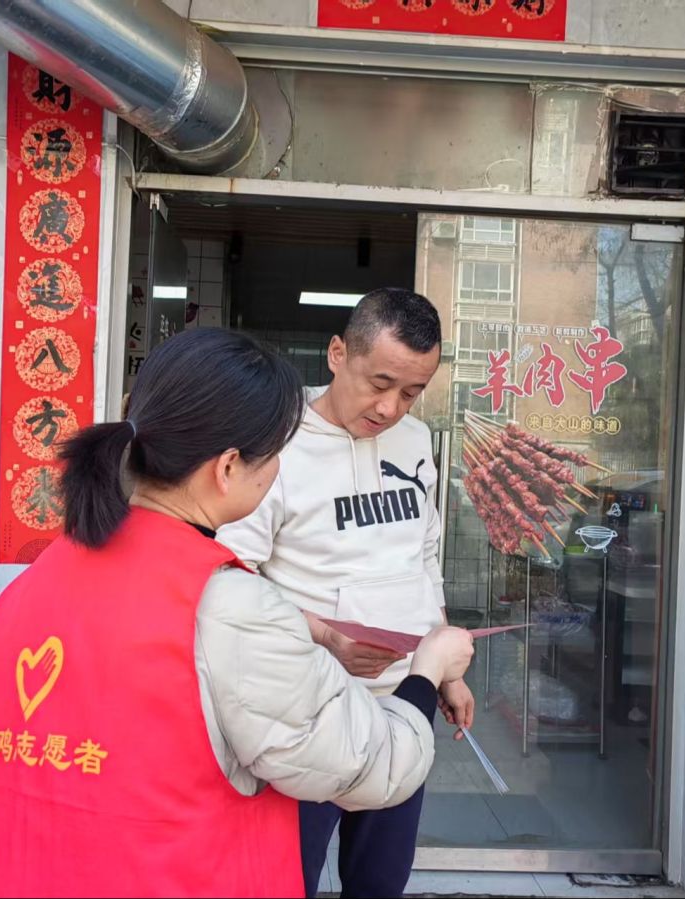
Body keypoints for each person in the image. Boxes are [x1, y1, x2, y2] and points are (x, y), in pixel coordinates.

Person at [0, 328, 474, 898]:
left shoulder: (30, 587)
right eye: (275, 457)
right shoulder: (227, 606)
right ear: (228, 468)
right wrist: (429, 668)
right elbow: (379, 767)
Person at [218, 287, 470, 898]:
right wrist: (327, 636)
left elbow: (424, 554)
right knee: (288, 878)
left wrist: (445, 669)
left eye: (411, 392)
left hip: (404, 703)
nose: (390, 408)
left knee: (381, 880)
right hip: (306, 709)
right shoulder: (275, 441)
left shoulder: (416, 441)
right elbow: (230, 576)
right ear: (337, 354)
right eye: (379, 383)